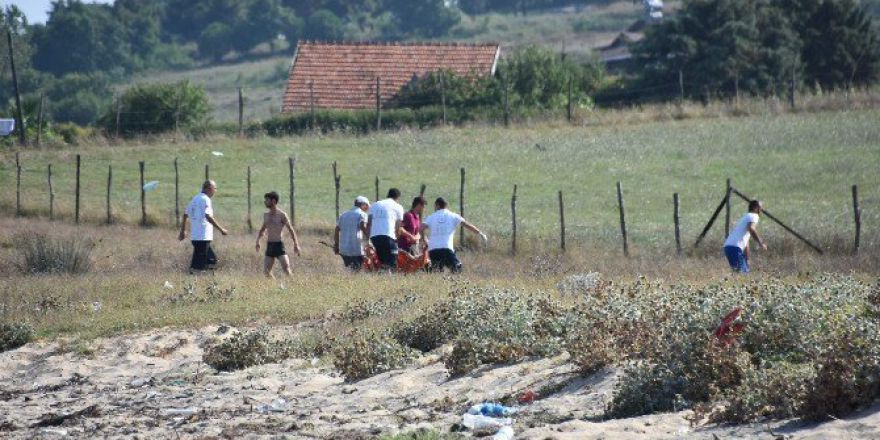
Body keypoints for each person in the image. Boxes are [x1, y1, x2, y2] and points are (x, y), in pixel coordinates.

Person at [420, 197, 487, 273]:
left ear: (437, 205)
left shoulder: (431, 217)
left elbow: (420, 229)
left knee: (437, 272)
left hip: (433, 249)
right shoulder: (453, 216)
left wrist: (424, 239)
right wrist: (480, 233)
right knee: (457, 269)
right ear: (446, 205)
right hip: (446, 248)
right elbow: (466, 225)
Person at [178, 180, 228, 273]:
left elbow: (185, 214)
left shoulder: (195, 198)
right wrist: (221, 229)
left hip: (196, 237)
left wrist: (183, 231)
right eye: (215, 188)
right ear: (209, 189)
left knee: (211, 261)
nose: (215, 191)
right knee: (199, 266)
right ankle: (193, 281)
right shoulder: (206, 199)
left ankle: (207, 281)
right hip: (202, 237)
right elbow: (208, 216)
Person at [255, 191, 301, 278]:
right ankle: (275, 285)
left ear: (273, 201)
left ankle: (294, 286)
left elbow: (291, 229)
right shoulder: (266, 215)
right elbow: (262, 229)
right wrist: (258, 241)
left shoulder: (282, 215)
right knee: (266, 272)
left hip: (279, 245)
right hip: (270, 245)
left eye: (267, 200)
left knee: (286, 269)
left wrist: (296, 244)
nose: (265, 202)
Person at [723, 200, 768, 273]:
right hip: (735, 248)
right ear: (755, 208)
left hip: (728, 247)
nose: (762, 210)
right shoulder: (754, 216)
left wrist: (747, 259)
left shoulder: (745, 217)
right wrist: (761, 243)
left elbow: (746, 242)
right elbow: (751, 229)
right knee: (742, 274)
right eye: (760, 207)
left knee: (741, 272)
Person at [367, 188, 405, 269]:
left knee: (383, 262)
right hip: (388, 236)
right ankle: (389, 280)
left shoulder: (375, 205)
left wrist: (367, 240)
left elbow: (369, 223)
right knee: (392, 263)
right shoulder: (398, 207)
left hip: (374, 237)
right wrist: (396, 239)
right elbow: (398, 227)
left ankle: (382, 278)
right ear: (398, 197)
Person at [334, 196, 370, 270]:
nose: (367, 208)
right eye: (367, 206)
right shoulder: (362, 214)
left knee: (349, 269)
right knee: (357, 270)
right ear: (362, 205)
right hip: (356, 248)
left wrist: (336, 245)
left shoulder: (343, 215)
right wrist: (370, 239)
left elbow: (337, 230)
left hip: (344, 249)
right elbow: (363, 226)